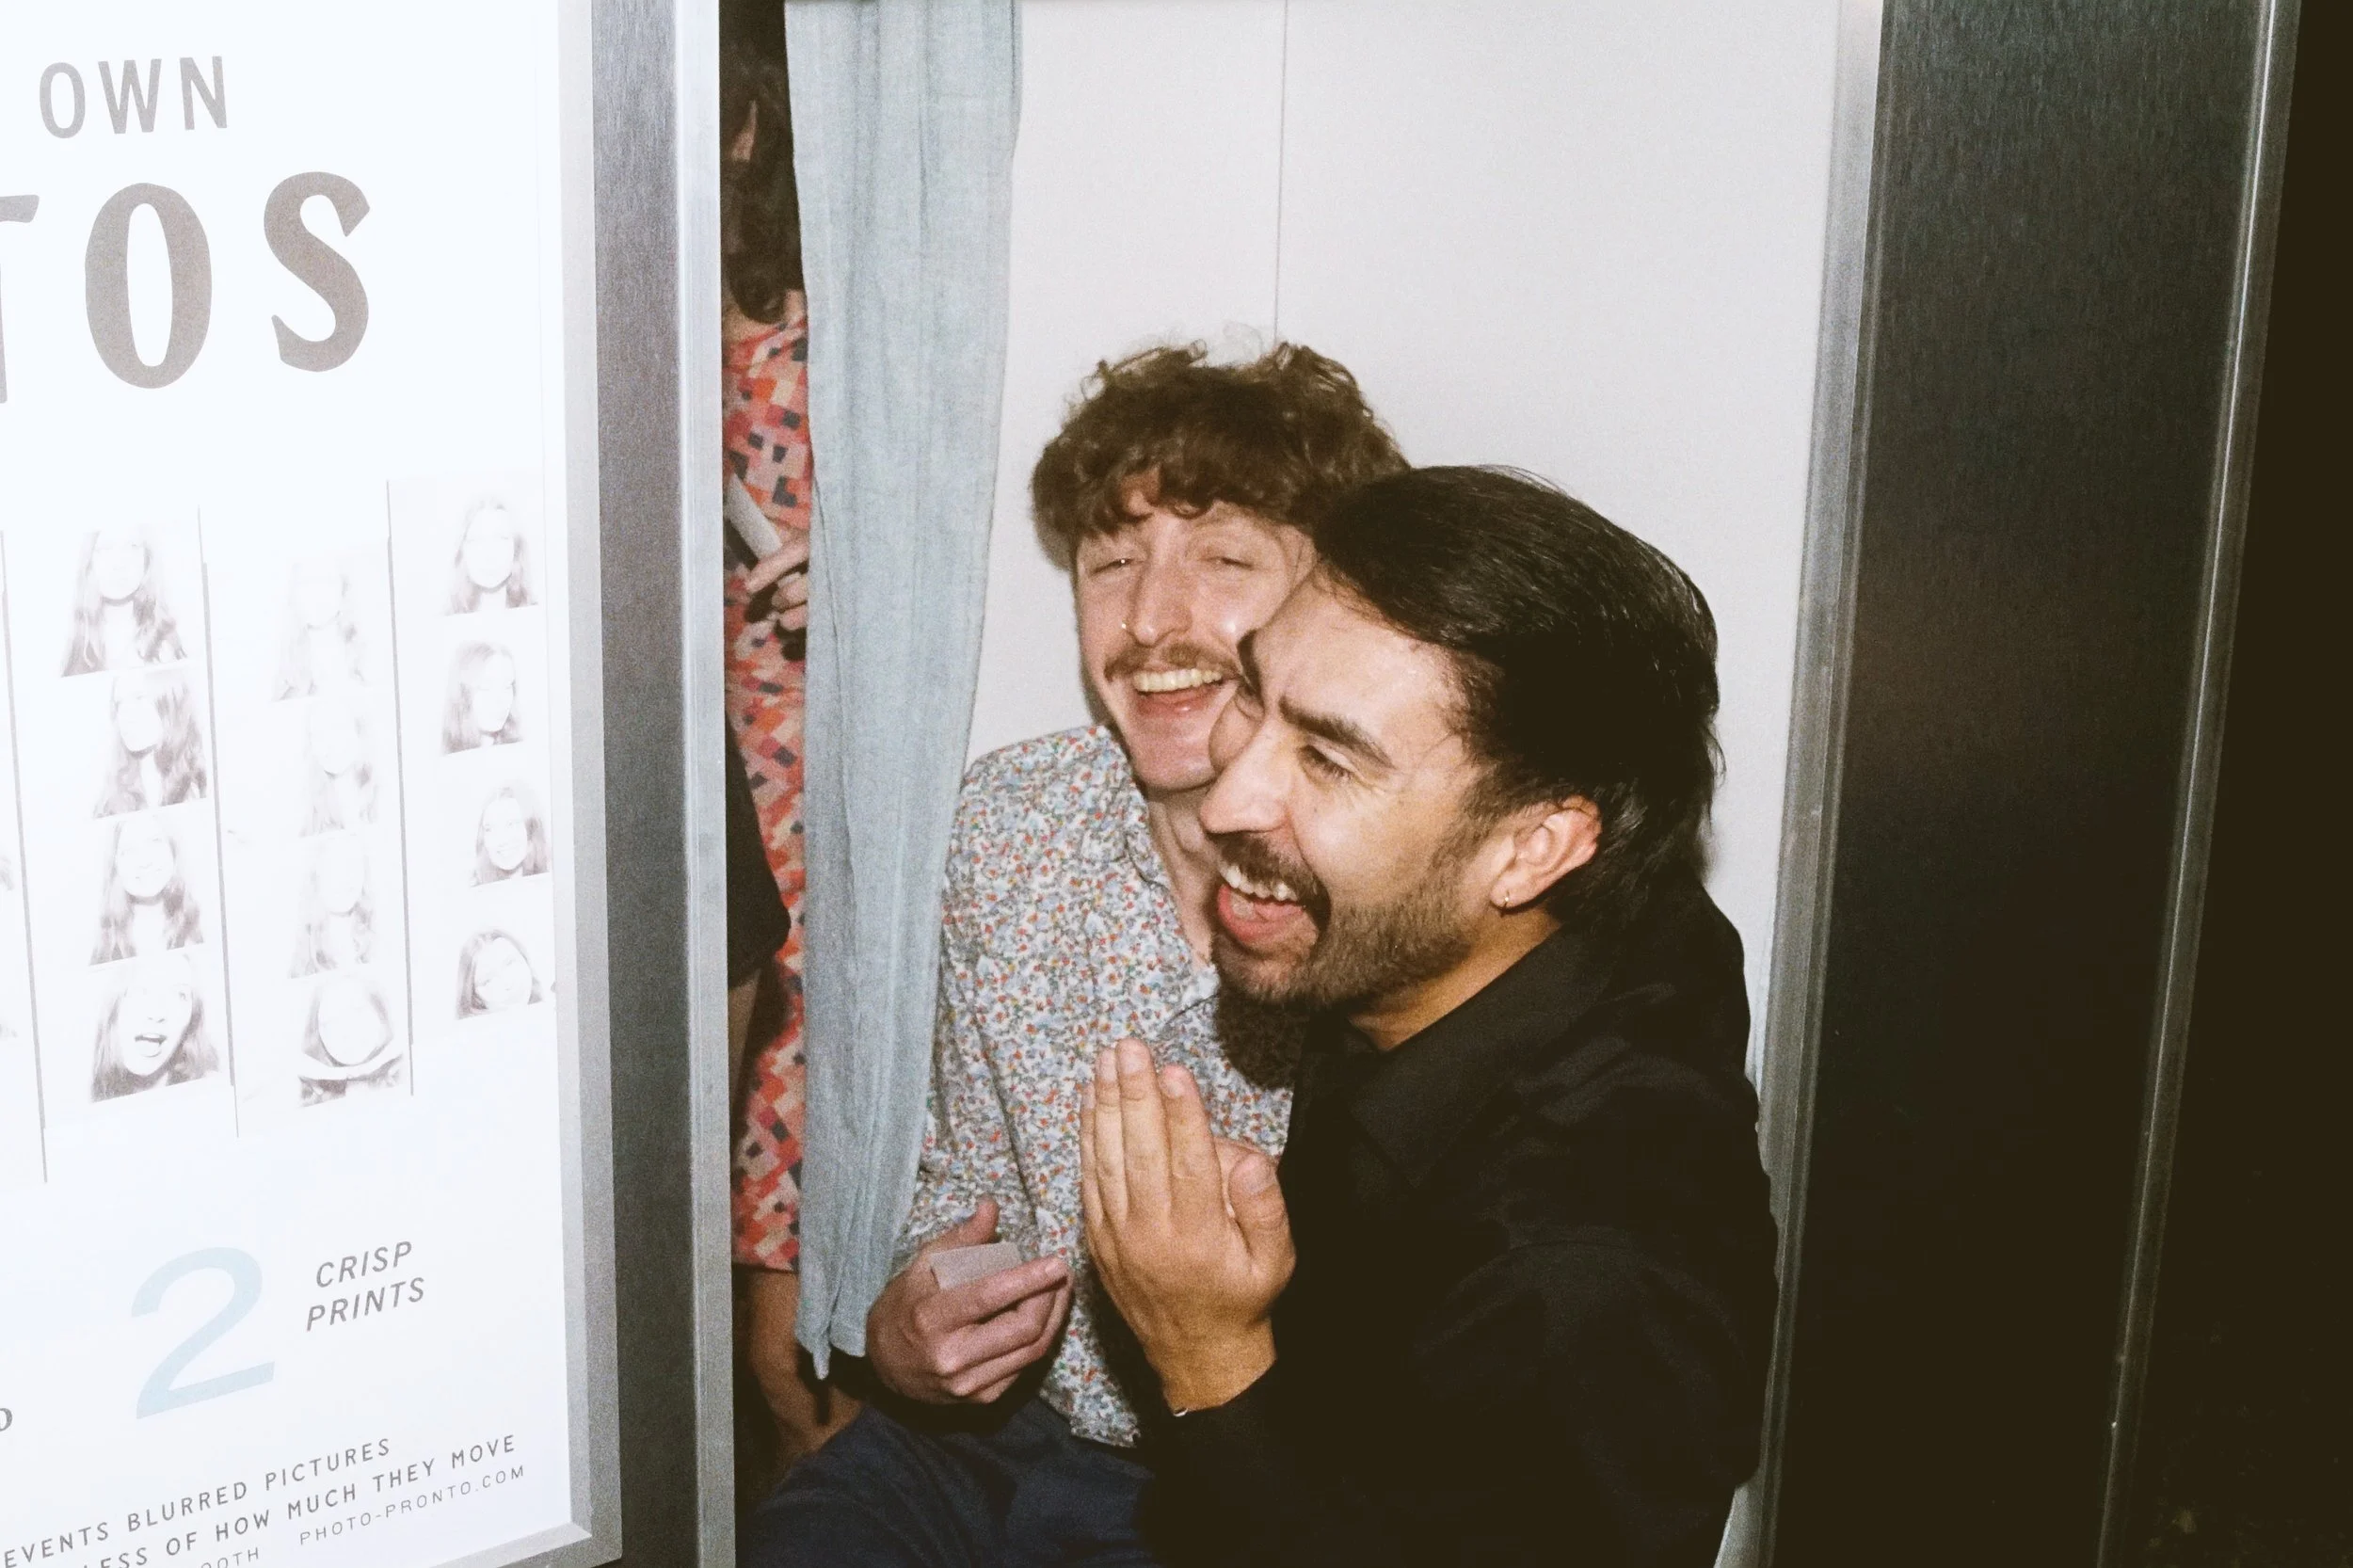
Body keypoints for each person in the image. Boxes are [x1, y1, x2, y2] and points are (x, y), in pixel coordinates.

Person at [744, 341, 1405, 1566]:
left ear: (1338, 598)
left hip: (1246, 1474)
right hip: (992, 1437)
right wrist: (917, 1323)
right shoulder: (1008, 824)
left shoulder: (1390, 874)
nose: (1151, 620)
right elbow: (974, 1183)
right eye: (1111, 564)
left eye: (1220, 559)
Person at [1080, 467, 1779, 1568]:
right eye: (1256, 696)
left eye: (1328, 756)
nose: (1225, 801)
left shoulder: (1581, 1276)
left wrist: (1206, 1354)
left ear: (1534, 849)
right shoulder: (1486, 938)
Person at [717, 0, 841, 1477]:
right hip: (704, 800)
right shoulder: (631, 328)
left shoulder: (832, 334)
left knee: (793, 1359)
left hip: (813, 799)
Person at [90, 952, 216, 1100]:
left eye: (179, 995)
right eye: (139, 991)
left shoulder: (211, 1092)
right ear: (114, 1008)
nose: (156, 1014)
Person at [63, 528, 187, 675]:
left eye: (132, 546)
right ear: (89, 561)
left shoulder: (172, 641)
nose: (119, 564)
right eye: (105, 549)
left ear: (147, 558)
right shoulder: (71, 643)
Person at [91, 812, 205, 964]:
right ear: (115, 866)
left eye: (155, 842)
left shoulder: (205, 923)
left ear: (173, 850)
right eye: (129, 850)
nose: (144, 861)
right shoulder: (102, 939)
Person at [95, 670, 210, 816]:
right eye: (119, 703)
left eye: (139, 698)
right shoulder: (113, 793)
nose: (125, 713)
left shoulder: (204, 781)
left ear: (170, 701)